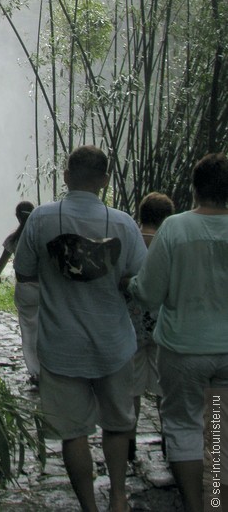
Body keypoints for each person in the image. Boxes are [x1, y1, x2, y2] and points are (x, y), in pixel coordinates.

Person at [14, 145, 147, 512]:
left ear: (66, 176)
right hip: (114, 342)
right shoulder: (123, 224)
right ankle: (118, 496)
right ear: (105, 181)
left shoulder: (41, 220)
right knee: (118, 423)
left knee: (73, 433)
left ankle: (89, 506)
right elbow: (140, 280)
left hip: (60, 344)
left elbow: (25, 274)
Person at [126, 153, 228, 512]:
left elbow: (150, 292)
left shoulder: (176, 228)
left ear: (194, 188)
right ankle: (218, 499)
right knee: (219, 426)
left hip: (185, 349)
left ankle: (195, 505)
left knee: (185, 425)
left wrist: (132, 285)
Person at [126, 191, 174, 462]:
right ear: (166, 217)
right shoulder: (169, 242)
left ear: (141, 214)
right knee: (163, 387)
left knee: (131, 389)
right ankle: (168, 439)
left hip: (130, 326)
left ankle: (129, 443)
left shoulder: (129, 240)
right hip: (161, 326)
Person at [0, 200, 39, 385]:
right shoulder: (42, 235)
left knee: (29, 331)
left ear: (17, 217)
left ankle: (35, 371)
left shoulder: (15, 238)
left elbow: (3, 260)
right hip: (46, 289)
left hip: (25, 289)